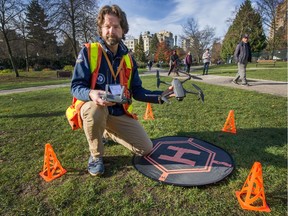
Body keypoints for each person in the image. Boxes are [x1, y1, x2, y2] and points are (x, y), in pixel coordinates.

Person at [70, 4, 173, 176]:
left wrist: (161, 95)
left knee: (146, 149)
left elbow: (138, 91)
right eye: (107, 27)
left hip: (118, 112)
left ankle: (108, 132)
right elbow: (75, 87)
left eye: (116, 26)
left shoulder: (129, 60)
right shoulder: (89, 52)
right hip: (94, 109)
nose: (111, 31)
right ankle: (96, 156)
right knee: (96, 109)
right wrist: (91, 93)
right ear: (101, 30)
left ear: (123, 30)